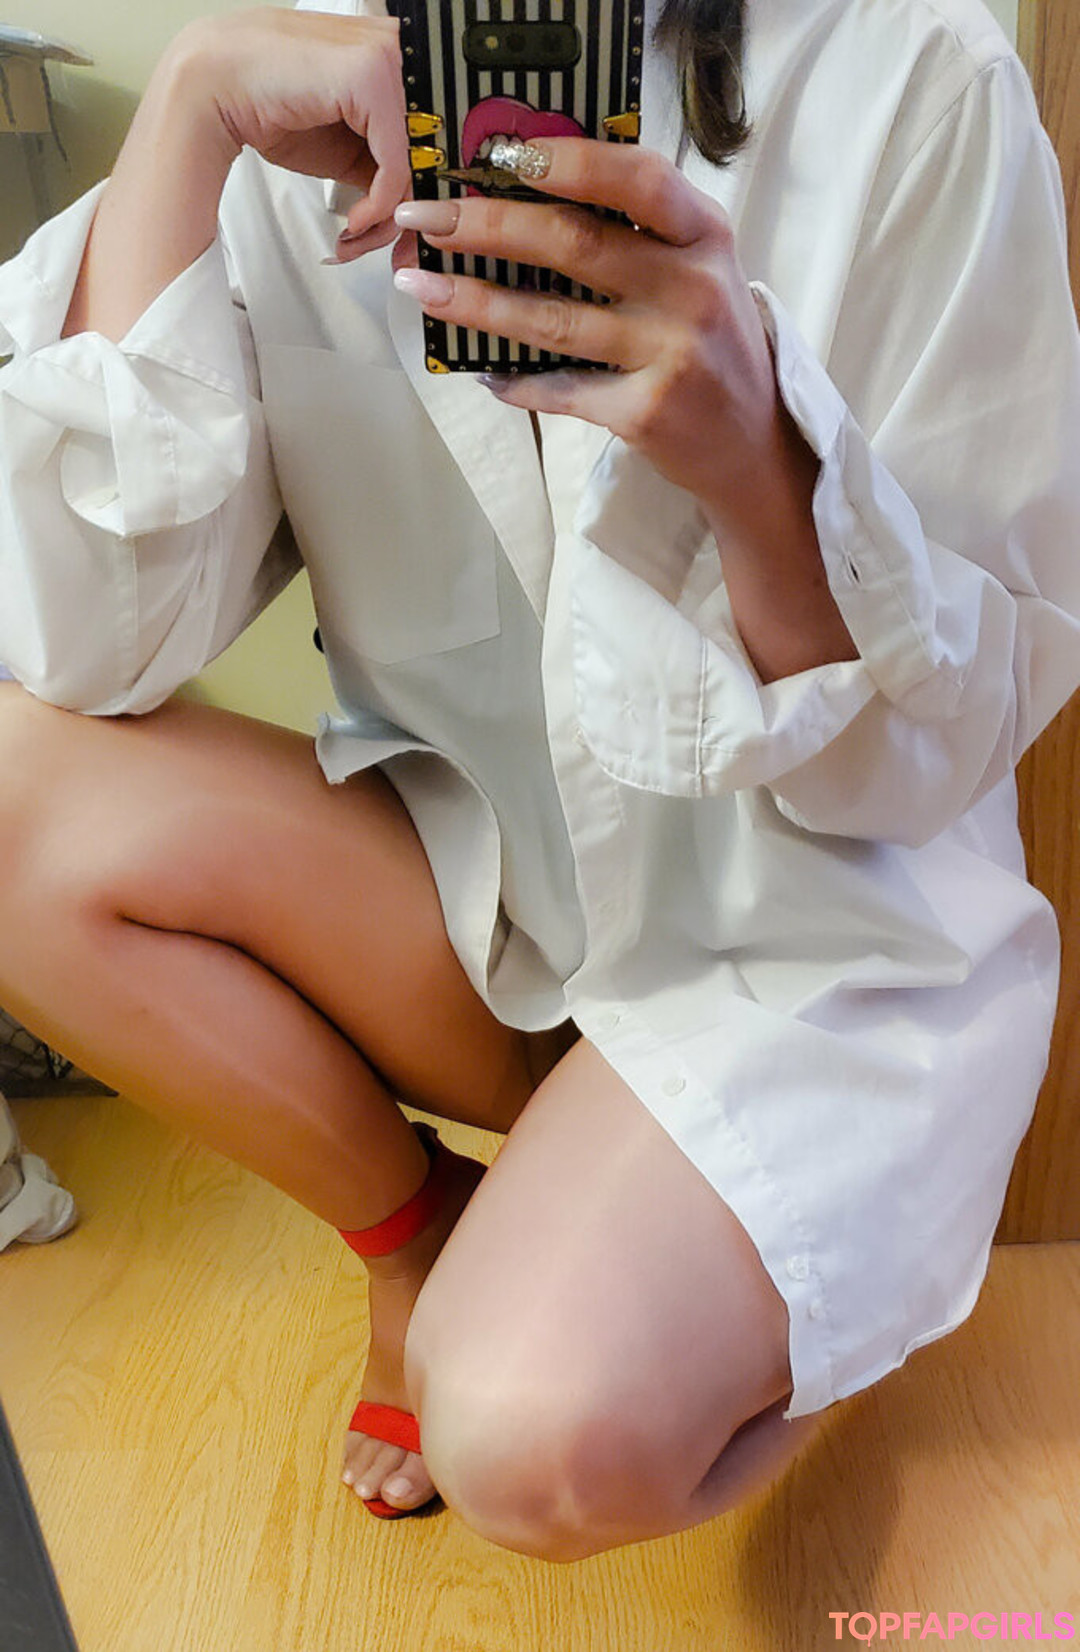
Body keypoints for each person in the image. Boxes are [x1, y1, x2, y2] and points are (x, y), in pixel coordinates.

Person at [0, 0, 1078, 1561]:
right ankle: (420, 1239)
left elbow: (930, 764)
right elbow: (86, 652)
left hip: (810, 957)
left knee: (534, 1444)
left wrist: (757, 461)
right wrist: (186, 110)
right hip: (491, 918)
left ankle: (779, 1277)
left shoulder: (909, 66)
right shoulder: (307, 90)